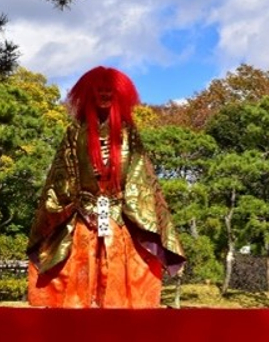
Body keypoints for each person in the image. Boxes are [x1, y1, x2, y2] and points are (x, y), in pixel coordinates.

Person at [26, 66, 185, 308]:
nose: (104, 95)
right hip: (82, 217)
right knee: (77, 270)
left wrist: (126, 207)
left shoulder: (127, 133)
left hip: (118, 216)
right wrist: (78, 203)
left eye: (109, 91)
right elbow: (61, 176)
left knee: (122, 273)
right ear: (89, 94)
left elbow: (140, 175)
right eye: (99, 90)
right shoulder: (75, 132)